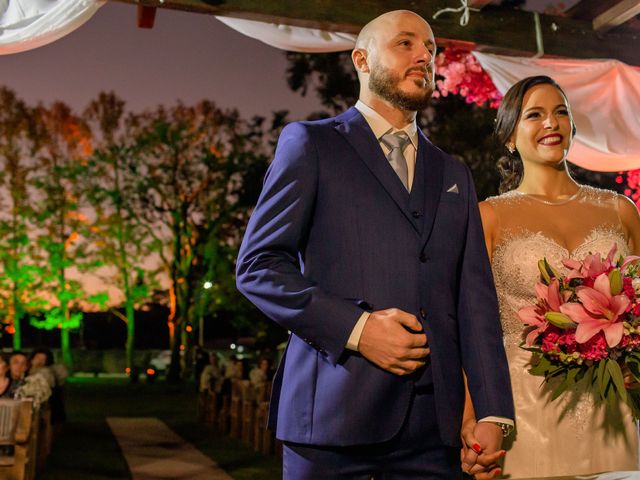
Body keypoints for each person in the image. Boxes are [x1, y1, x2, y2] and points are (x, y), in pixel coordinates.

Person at [236, 9, 514, 479]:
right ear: (362, 59)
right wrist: (358, 328)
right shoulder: (310, 144)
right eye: (406, 43)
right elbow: (259, 267)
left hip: (435, 432)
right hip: (332, 420)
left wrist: (492, 411)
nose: (425, 55)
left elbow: (475, 300)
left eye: (430, 48)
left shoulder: (453, 173)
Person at [465, 75, 640, 477]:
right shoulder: (487, 216)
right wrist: (472, 418)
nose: (551, 123)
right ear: (509, 136)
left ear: (573, 128)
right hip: (524, 413)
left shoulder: (620, 209)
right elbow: (470, 325)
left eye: (561, 112)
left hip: (613, 408)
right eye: (535, 115)